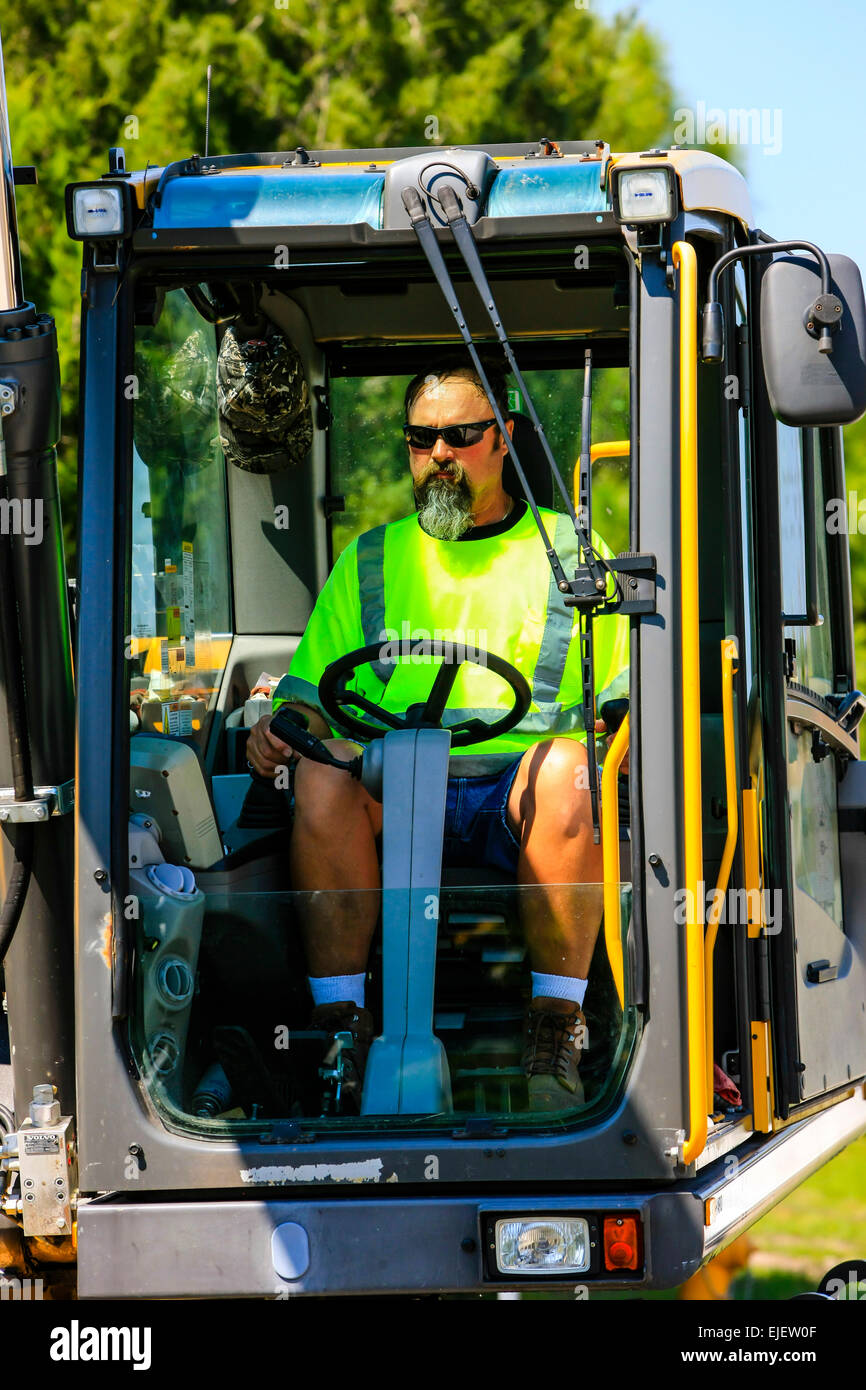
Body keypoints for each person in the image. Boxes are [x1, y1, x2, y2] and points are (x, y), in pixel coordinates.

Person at [246, 353, 629, 1111]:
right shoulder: (373, 559)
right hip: (395, 783)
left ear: (504, 438)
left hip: (519, 796)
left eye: (460, 436)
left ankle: (557, 1025)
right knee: (323, 773)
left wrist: (607, 738)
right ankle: (341, 1033)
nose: (440, 457)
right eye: (422, 441)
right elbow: (310, 692)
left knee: (572, 768)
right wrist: (283, 729)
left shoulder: (572, 558)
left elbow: (616, 697)